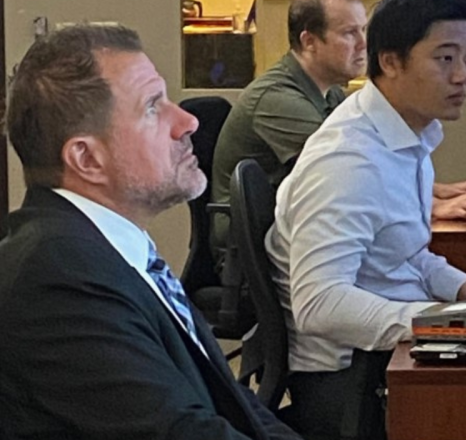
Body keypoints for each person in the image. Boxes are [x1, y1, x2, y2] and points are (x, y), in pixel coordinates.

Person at [0, 24, 300, 440]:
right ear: (87, 158)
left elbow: (234, 403)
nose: (188, 121)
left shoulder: (108, 252)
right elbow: (178, 431)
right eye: (153, 107)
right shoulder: (55, 276)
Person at [267, 0, 466, 440]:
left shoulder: (406, 137)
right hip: (352, 382)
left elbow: (404, 253)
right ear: (390, 61)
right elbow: (319, 304)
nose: (461, 76)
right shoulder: (348, 161)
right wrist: (438, 323)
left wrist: (463, 288)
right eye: (444, 58)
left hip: (388, 355)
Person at [211, 0, 466, 269]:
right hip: (252, 261)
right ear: (309, 41)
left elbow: (375, 170)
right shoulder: (276, 98)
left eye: (363, 30)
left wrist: (439, 190)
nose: (364, 44)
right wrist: (432, 207)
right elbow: (347, 179)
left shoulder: (331, 91)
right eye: (349, 33)